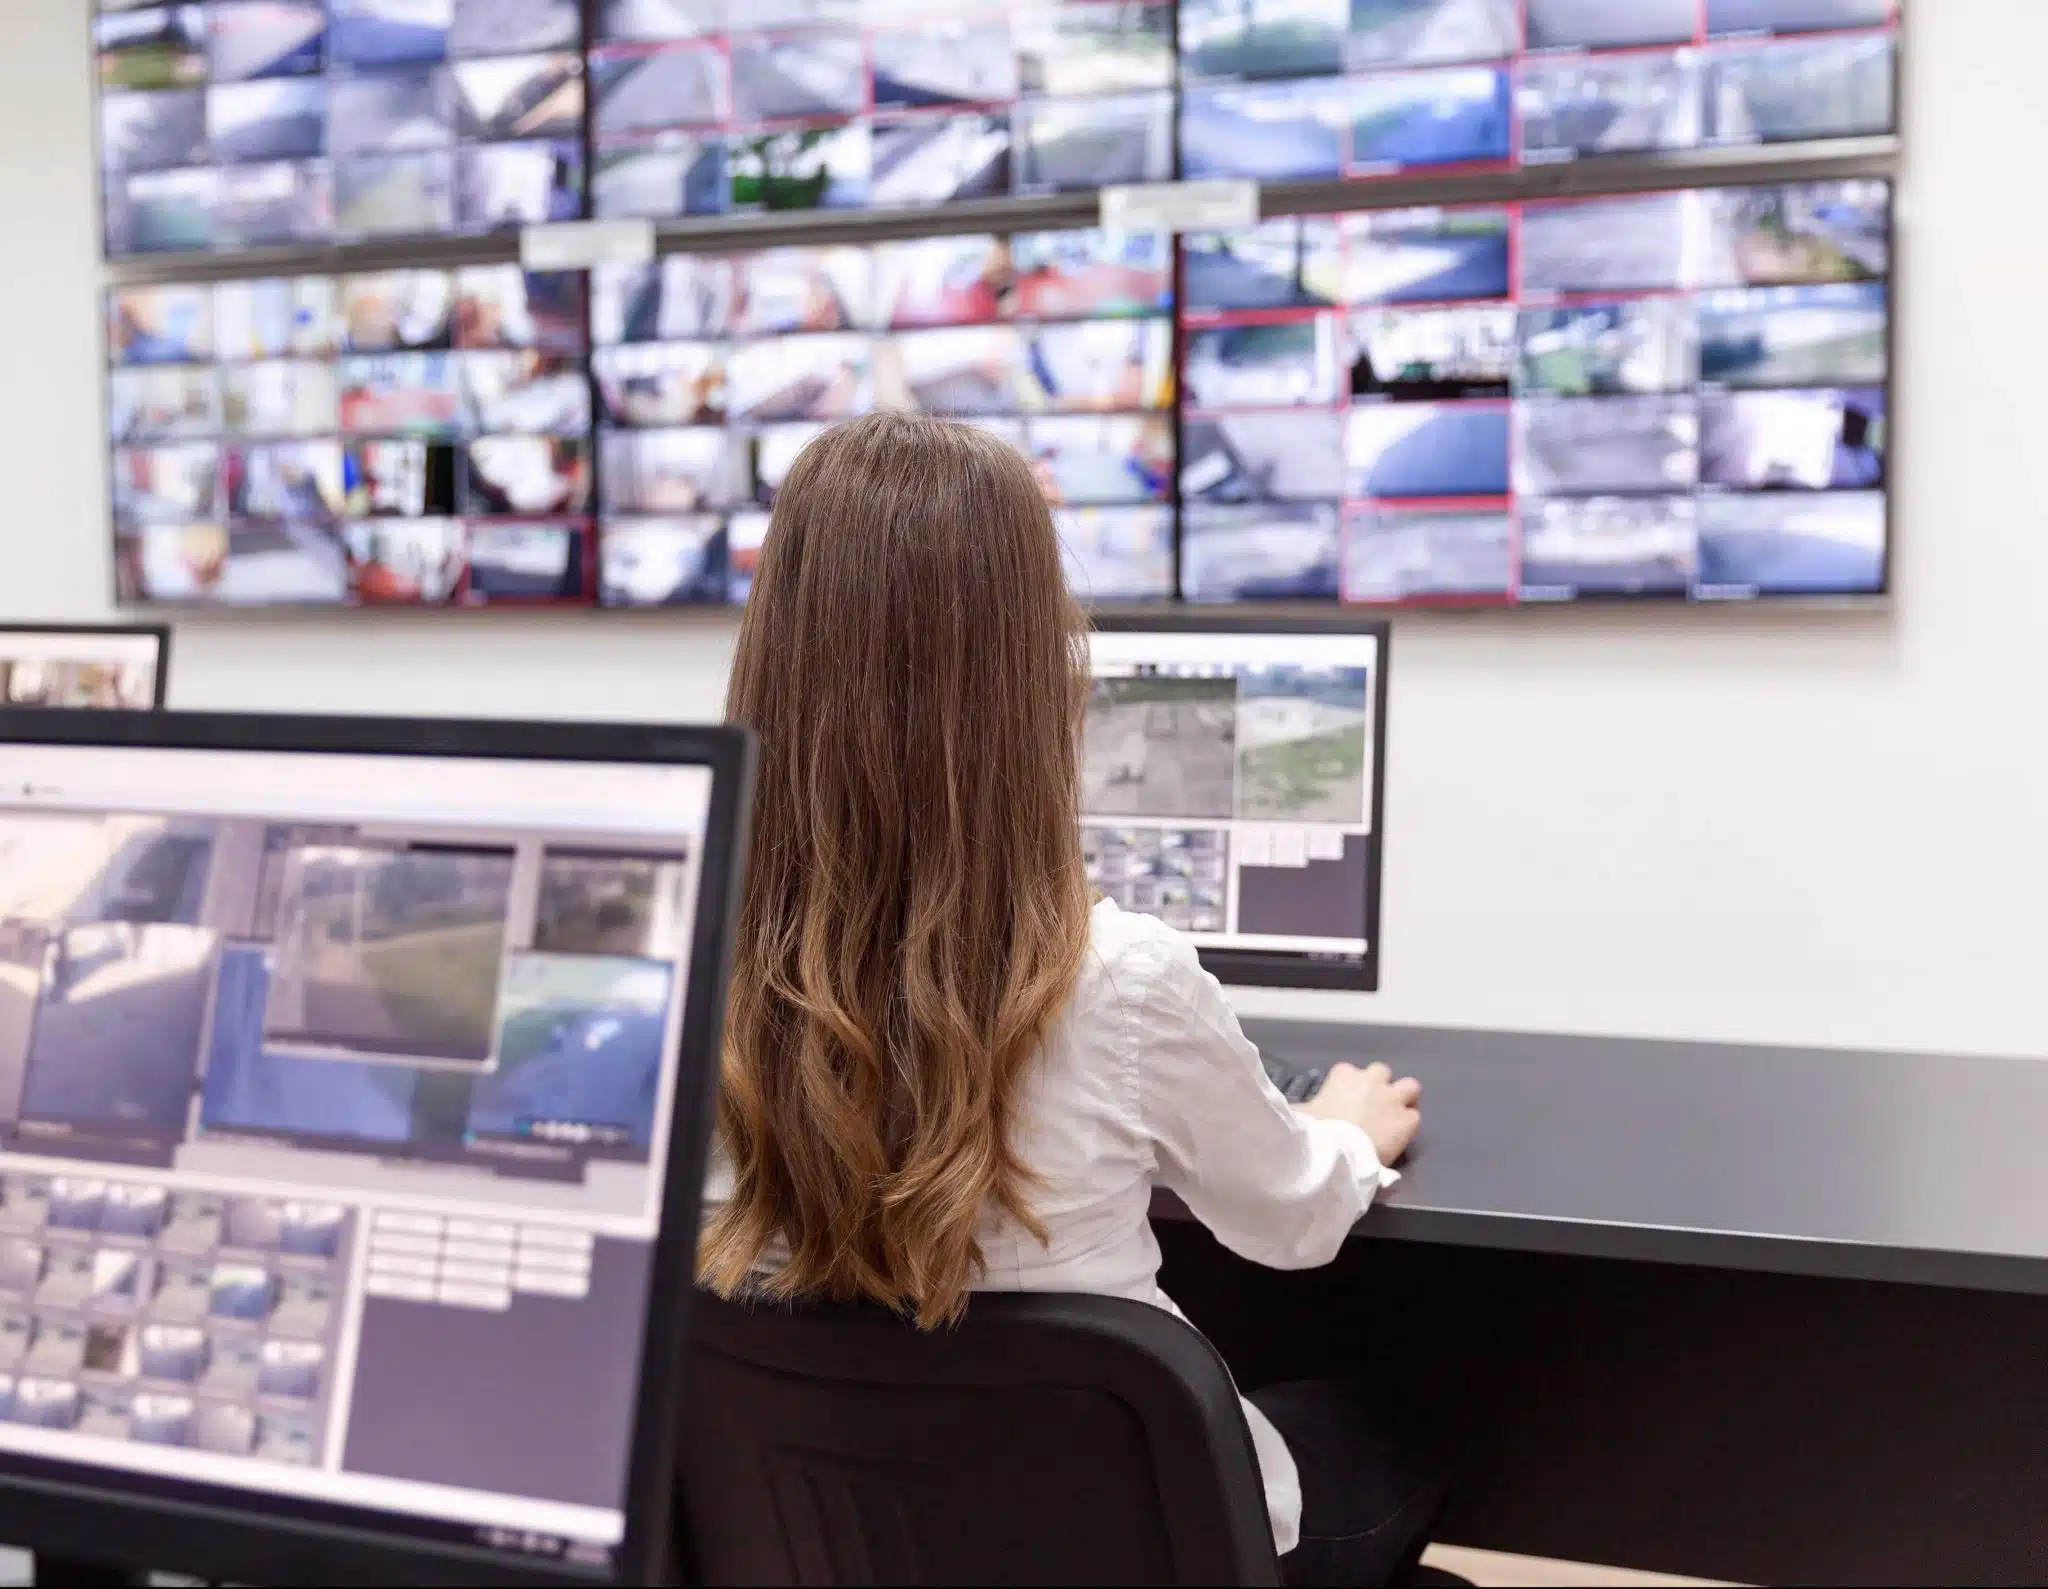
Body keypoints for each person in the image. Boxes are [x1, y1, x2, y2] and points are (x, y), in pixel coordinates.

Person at [701, 412, 1447, 1587]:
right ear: (1029, 673)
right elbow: (1287, 1223)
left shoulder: (688, 984)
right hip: (1140, 1547)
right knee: (1392, 1427)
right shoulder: (1119, 980)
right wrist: (1345, 1136)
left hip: (837, 1542)